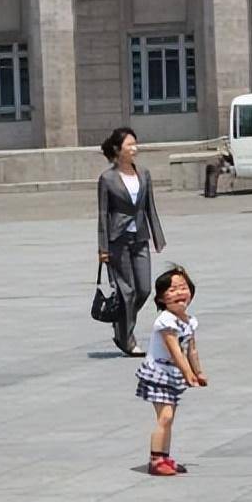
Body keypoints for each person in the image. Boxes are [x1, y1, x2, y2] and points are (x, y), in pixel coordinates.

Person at [97, 127, 166, 356]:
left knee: (144, 289)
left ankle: (121, 325)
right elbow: (103, 214)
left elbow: (150, 207)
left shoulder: (143, 173)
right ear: (118, 149)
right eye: (129, 145)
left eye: (135, 144)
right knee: (127, 291)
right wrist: (103, 248)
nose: (134, 148)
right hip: (118, 239)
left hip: (140, 237)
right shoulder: (107, 179)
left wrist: (157, 236)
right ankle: (127, 338)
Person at [135, 266, 207, 477]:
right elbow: (175, 350)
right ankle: (156, 460)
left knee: (168, 417)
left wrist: (198, 372)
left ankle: (164, 457)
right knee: (165, 417)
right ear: (161, 298)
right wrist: (188, 374)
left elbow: (191, 350)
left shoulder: (189, 321)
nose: (179, 293)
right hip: (158, 372)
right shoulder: (165, 321)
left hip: (172, 374)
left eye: (183, 288)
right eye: (172, 290)